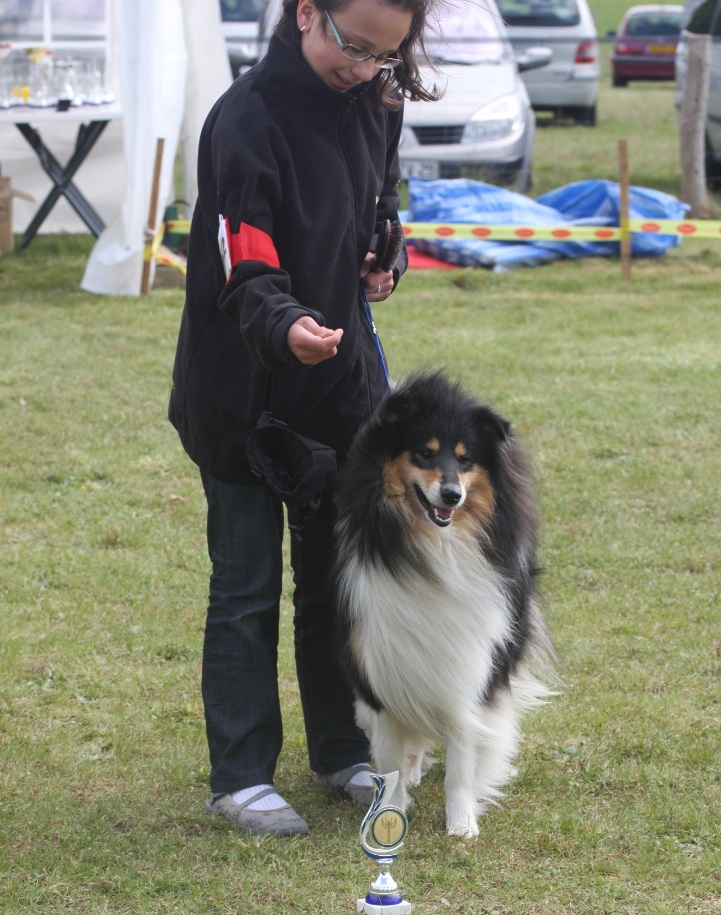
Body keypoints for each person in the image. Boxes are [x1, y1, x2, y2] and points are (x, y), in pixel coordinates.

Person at [168, 0, 441, 836]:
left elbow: (376, 208)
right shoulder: (245, 117)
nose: (364, 69)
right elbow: (238, 251)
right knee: (246, 586)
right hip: (243, 389)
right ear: (305, 13)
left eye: (383, 58)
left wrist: (381, 258)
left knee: (334, 584)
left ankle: (339, 750)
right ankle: (240, 774)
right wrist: (283, 321)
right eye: (352, 48)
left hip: (338, 391)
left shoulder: (375, 102)